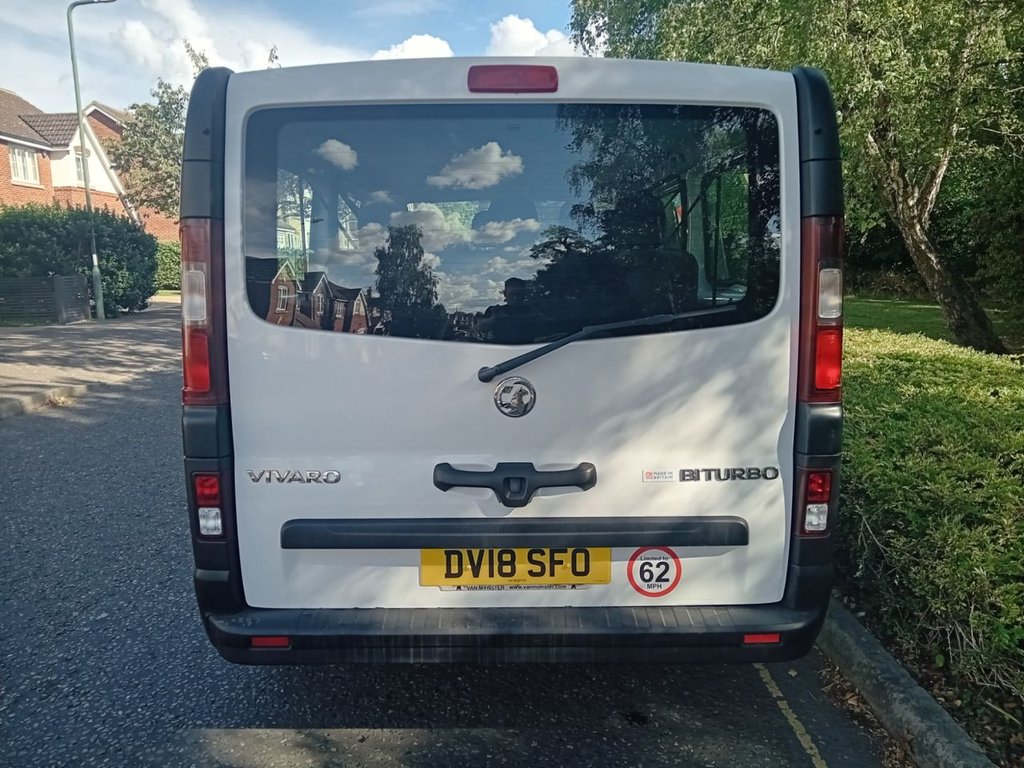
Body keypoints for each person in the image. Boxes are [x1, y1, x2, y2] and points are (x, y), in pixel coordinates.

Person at [481, 277, 544, 344]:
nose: (515, 298)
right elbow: (482, 328)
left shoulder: (532, 310)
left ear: (524, 294)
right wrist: (492, 320)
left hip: (530, 350)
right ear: (505, 294)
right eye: (512, 294)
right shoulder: (495, 311)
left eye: (519, 294)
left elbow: (544, 329)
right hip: (500, 351)